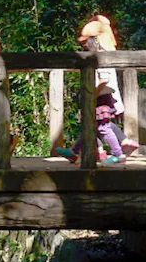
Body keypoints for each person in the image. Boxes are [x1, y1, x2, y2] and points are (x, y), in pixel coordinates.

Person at [57, 17, 136, 164]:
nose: (85, 45)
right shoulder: (99, 56)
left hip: (101, 97)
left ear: (96, 41)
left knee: (103, 127)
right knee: (92, 125)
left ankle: (118, 153)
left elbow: (103, 80)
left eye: (87, 41)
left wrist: (91, 95)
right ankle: (76, 151)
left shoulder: (103, 57)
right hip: (100, 96)